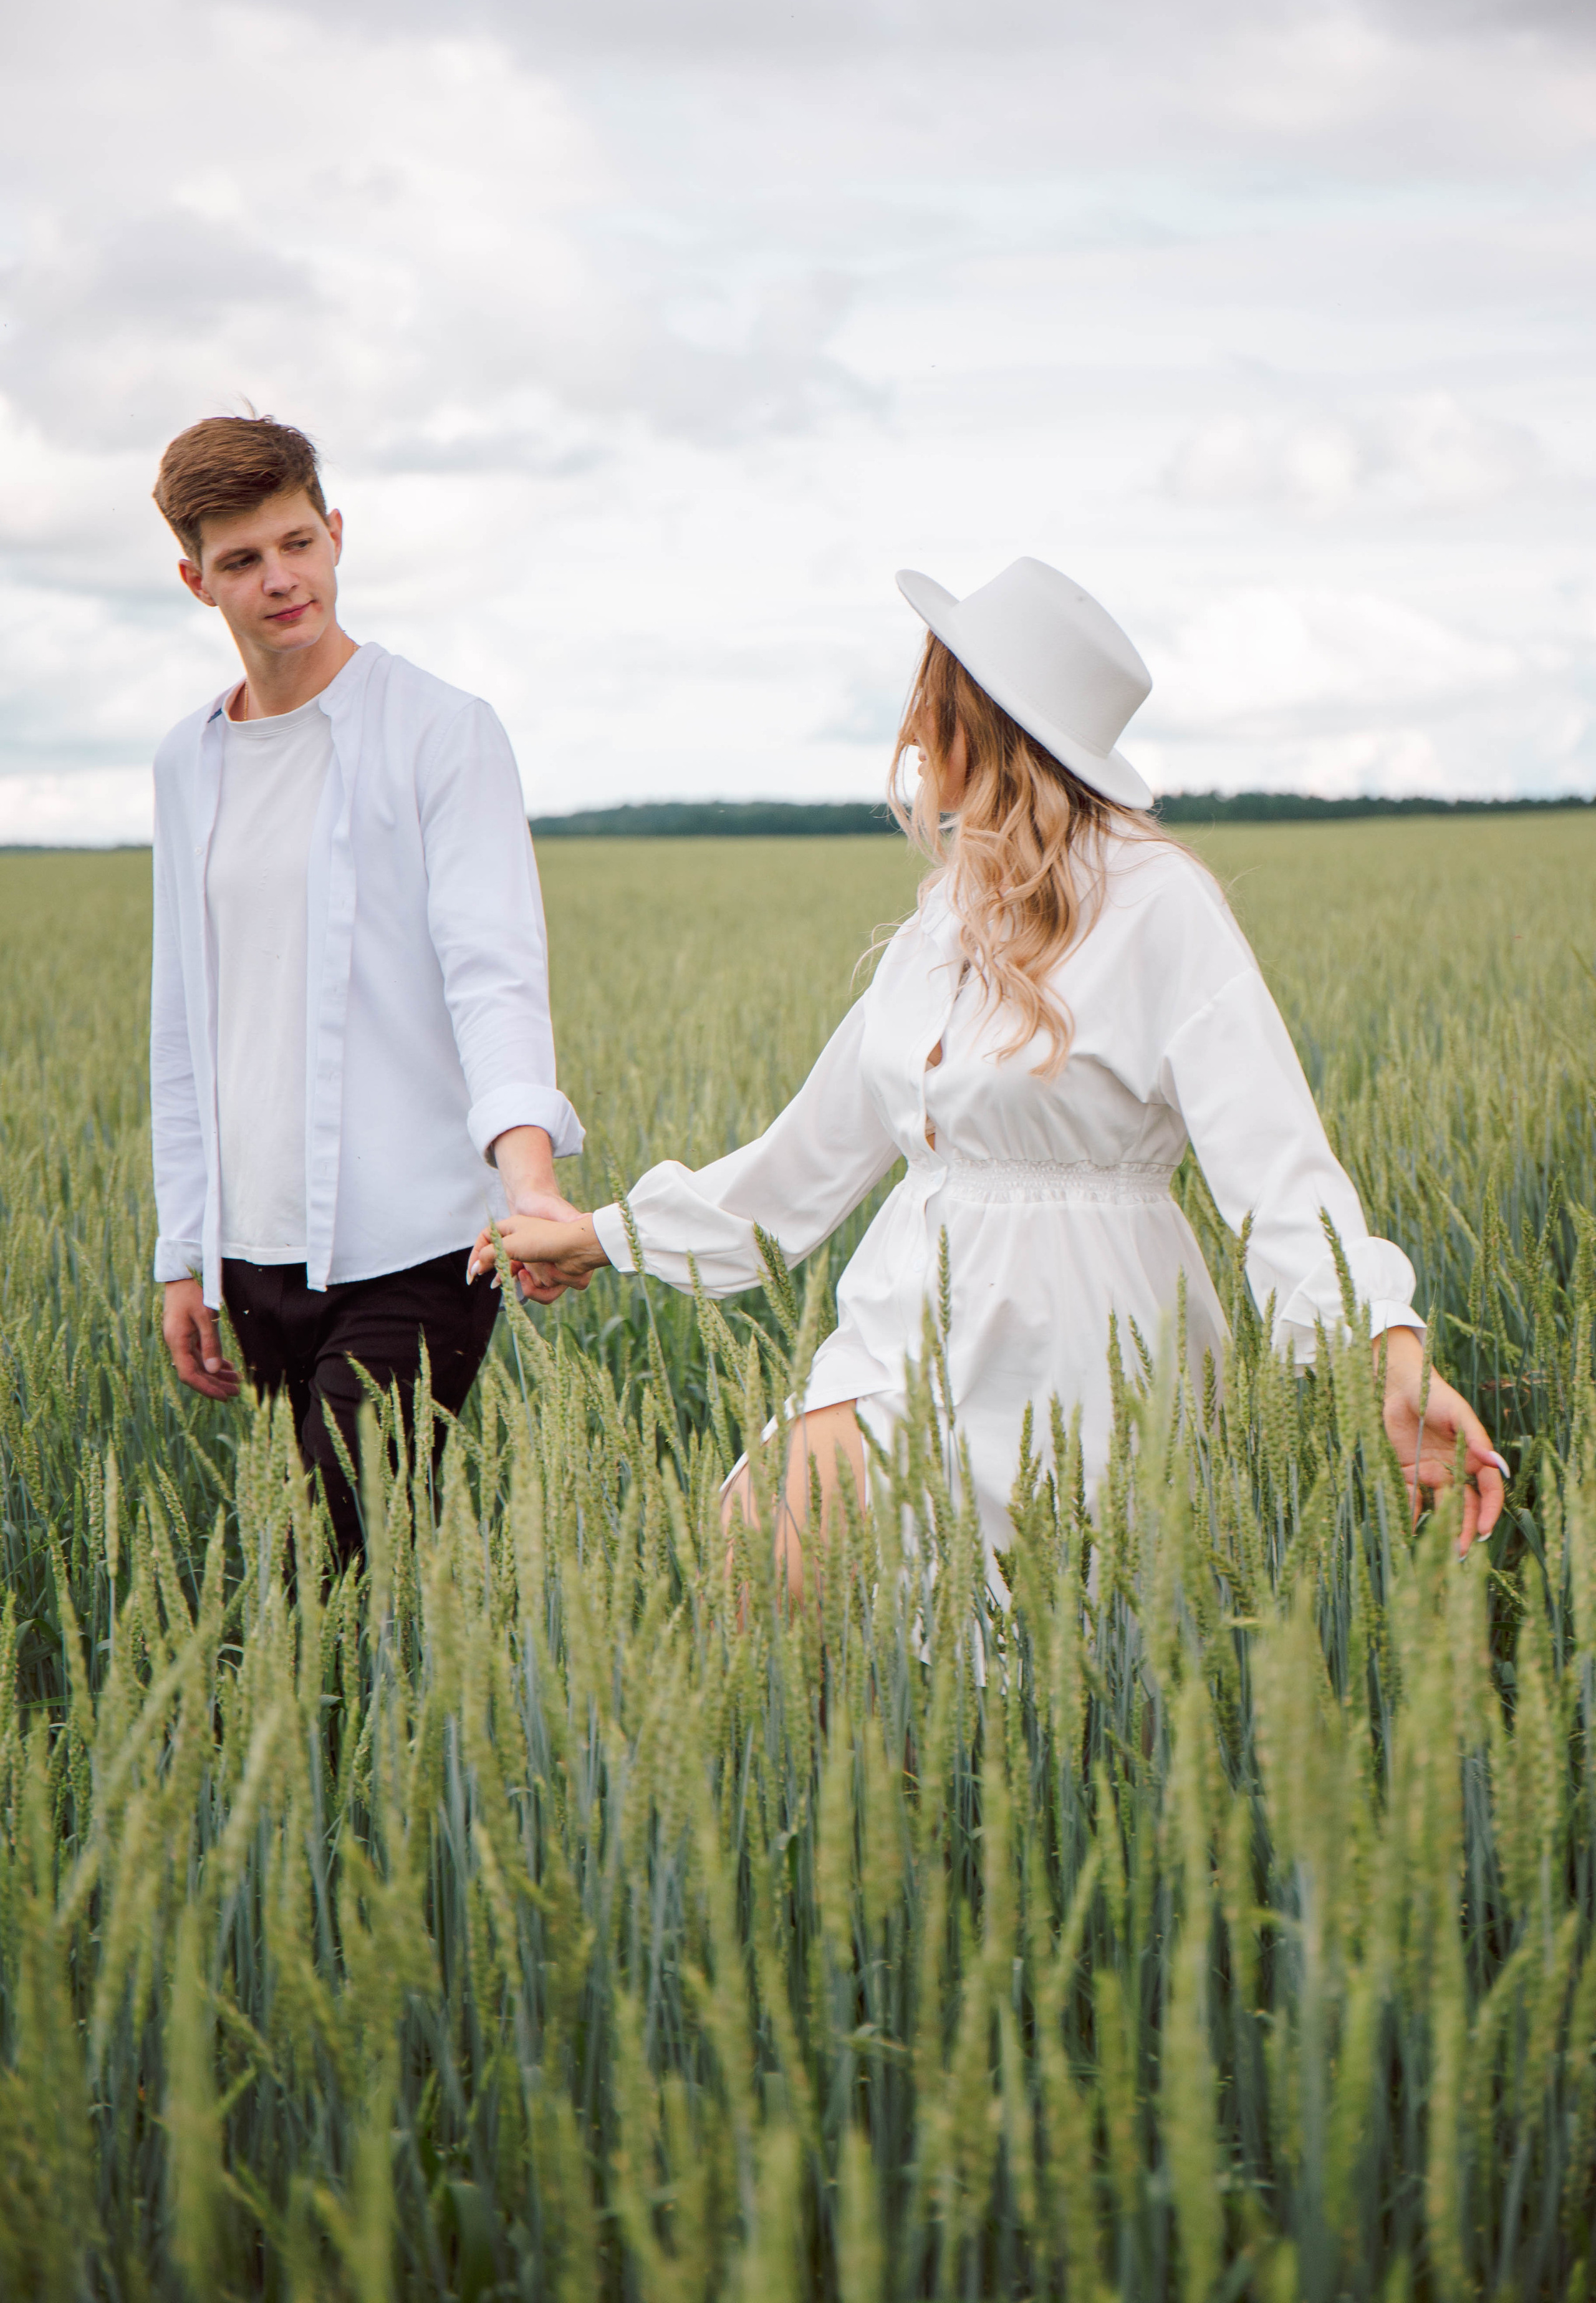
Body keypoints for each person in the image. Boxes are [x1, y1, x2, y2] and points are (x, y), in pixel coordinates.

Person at [470, 556, 1506, 1580]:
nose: (915, 730)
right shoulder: (943, 916)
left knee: (1048, 1668)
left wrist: (1390, 1360)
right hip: (905, 1316)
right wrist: (600, 1238)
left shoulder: (1160, 904)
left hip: (1088, 1344)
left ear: (989, 719)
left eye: (934, 699)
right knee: (761, 1545)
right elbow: (807, 1160)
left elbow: (1279, 1176)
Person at [150, 413, 586, 1558]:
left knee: (315, 1572)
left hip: (419, 1244)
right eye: (242, 560)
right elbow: (185, 1023)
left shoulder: (444, 733)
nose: (280, 579)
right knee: (351, 1603)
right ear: (198, 580)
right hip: (255, 1249)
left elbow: (495, 973)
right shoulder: (184, 763)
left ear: (336, 533)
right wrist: (181, 1251)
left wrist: (529, 1185)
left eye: (297, 542)